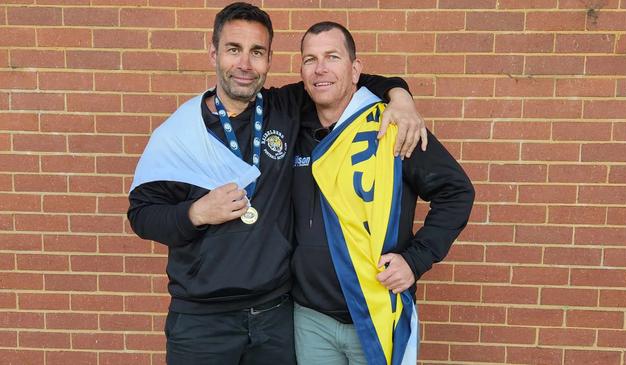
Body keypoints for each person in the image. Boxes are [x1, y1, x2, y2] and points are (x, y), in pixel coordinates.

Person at [127, 3, 426, 365]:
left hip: (274, 317)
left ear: (269, 60)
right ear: (213, 53)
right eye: (233, 49)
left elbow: (344, 80)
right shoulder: (180, 133)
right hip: (202, 322)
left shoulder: (285, 107)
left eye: (257, 53)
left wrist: (400, 96)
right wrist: (196, 213)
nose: (244, 64)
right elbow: (142, 216)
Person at [291, 22, 475, 365]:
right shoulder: (291, 121)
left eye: (332, 56)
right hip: (310, 318)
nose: (320, 69)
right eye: (310, 59)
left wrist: (416, 260)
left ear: (355, 68)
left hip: (375, 310)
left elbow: (457, 191)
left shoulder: (392, 124)